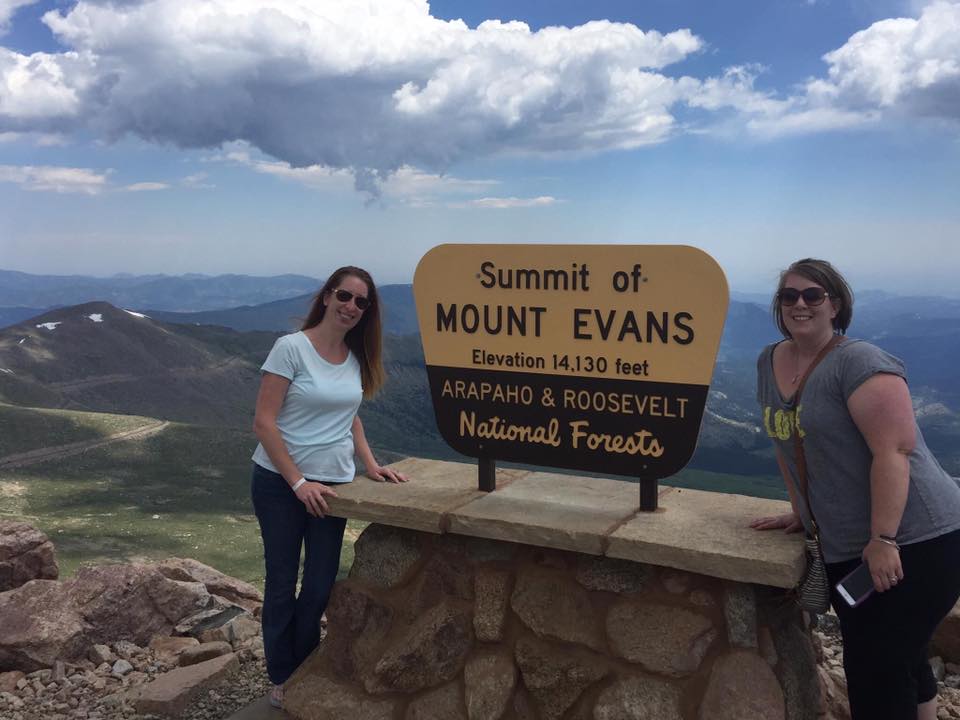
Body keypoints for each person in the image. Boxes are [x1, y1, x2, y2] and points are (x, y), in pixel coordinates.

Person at [750, 258, 960, 720]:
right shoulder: (769, 361)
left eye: (812, 295)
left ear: (835, 303)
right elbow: (786, 443)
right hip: (848, 544)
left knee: (875, 673)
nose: (799, 304)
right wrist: (802, 512)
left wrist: (884, 538)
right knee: (899, 657)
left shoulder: (859, 361)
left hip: (918, 539)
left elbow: (895, 451)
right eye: (789, 296)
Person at [250, 266, 407, 709]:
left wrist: (371, 465)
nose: (351, 306)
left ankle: (302, 663)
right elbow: (263, 422)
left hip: (333, 485)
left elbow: (349, 416)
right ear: (326, 297)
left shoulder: (355, 358)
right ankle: (283, 674)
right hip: (281, 484)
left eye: (362, 302)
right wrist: (298, 482)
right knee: (282, 581)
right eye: (345, 295)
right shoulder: (291, 349)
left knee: (318, 584)